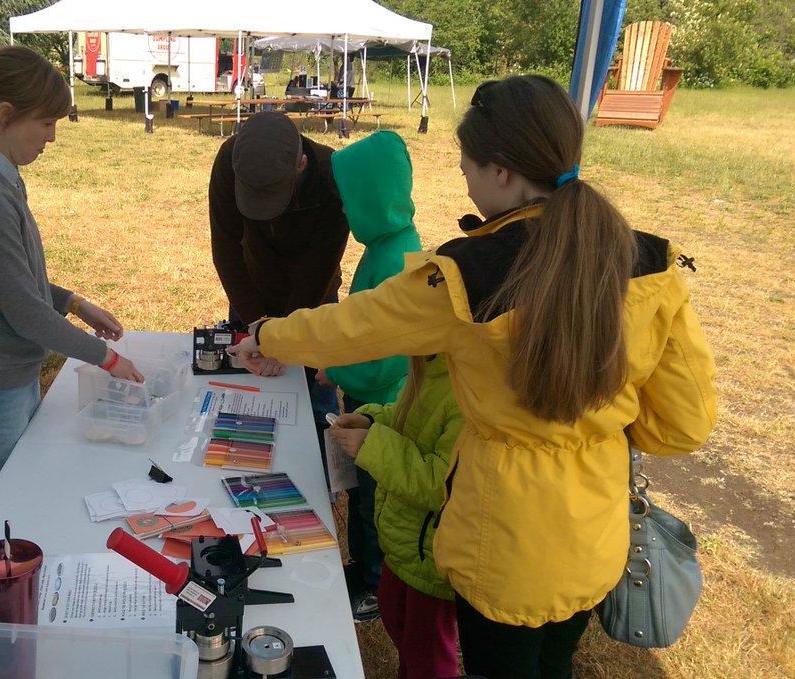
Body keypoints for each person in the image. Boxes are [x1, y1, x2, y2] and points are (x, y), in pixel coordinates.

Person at [230, 75, 717, 678]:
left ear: (502, 173)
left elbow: (354, 326)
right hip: (594, 539)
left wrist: (266, 335)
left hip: (502, 546)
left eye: (465, 167)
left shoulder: (466, 277)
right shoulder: (648, 262)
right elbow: (682, 426)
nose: (464, 179)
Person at [0, 46, 143, 507]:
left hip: (6, 376)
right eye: (46, 123)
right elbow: (24, 311)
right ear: (6, 115)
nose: (51, 137)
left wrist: (73, 302)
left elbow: (12, 280)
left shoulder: (2, 180)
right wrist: (106, 359)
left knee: (20, 499)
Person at [319, 130, 422, 622]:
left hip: (386, 405)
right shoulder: (385, 244)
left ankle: (376, 586)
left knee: (376, 502)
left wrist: (333, 365)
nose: (342, 210)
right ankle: (361, 568)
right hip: (364, 398)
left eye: (349, 199)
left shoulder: (400, 259)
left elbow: (389, 353)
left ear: (372, 197)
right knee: (360, 490)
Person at [207, 110, 348, 452]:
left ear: (300, 165)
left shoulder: (331, 175)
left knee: (315, 398)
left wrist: (282, 339)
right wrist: (258, 324)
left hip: (313, 299)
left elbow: (320, 269)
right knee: (249, 397)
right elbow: (226, 249)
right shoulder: (230, 159)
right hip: (252, 292)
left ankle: (323, 481)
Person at [330, 353, 462, 679]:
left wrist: (373, 445)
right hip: (404, 542)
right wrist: (373, 421)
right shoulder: (432, 366)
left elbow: (439, 484)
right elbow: (408, 419)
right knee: (395, 616)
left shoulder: (467, 390)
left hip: (431, 555)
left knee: (428, 653)